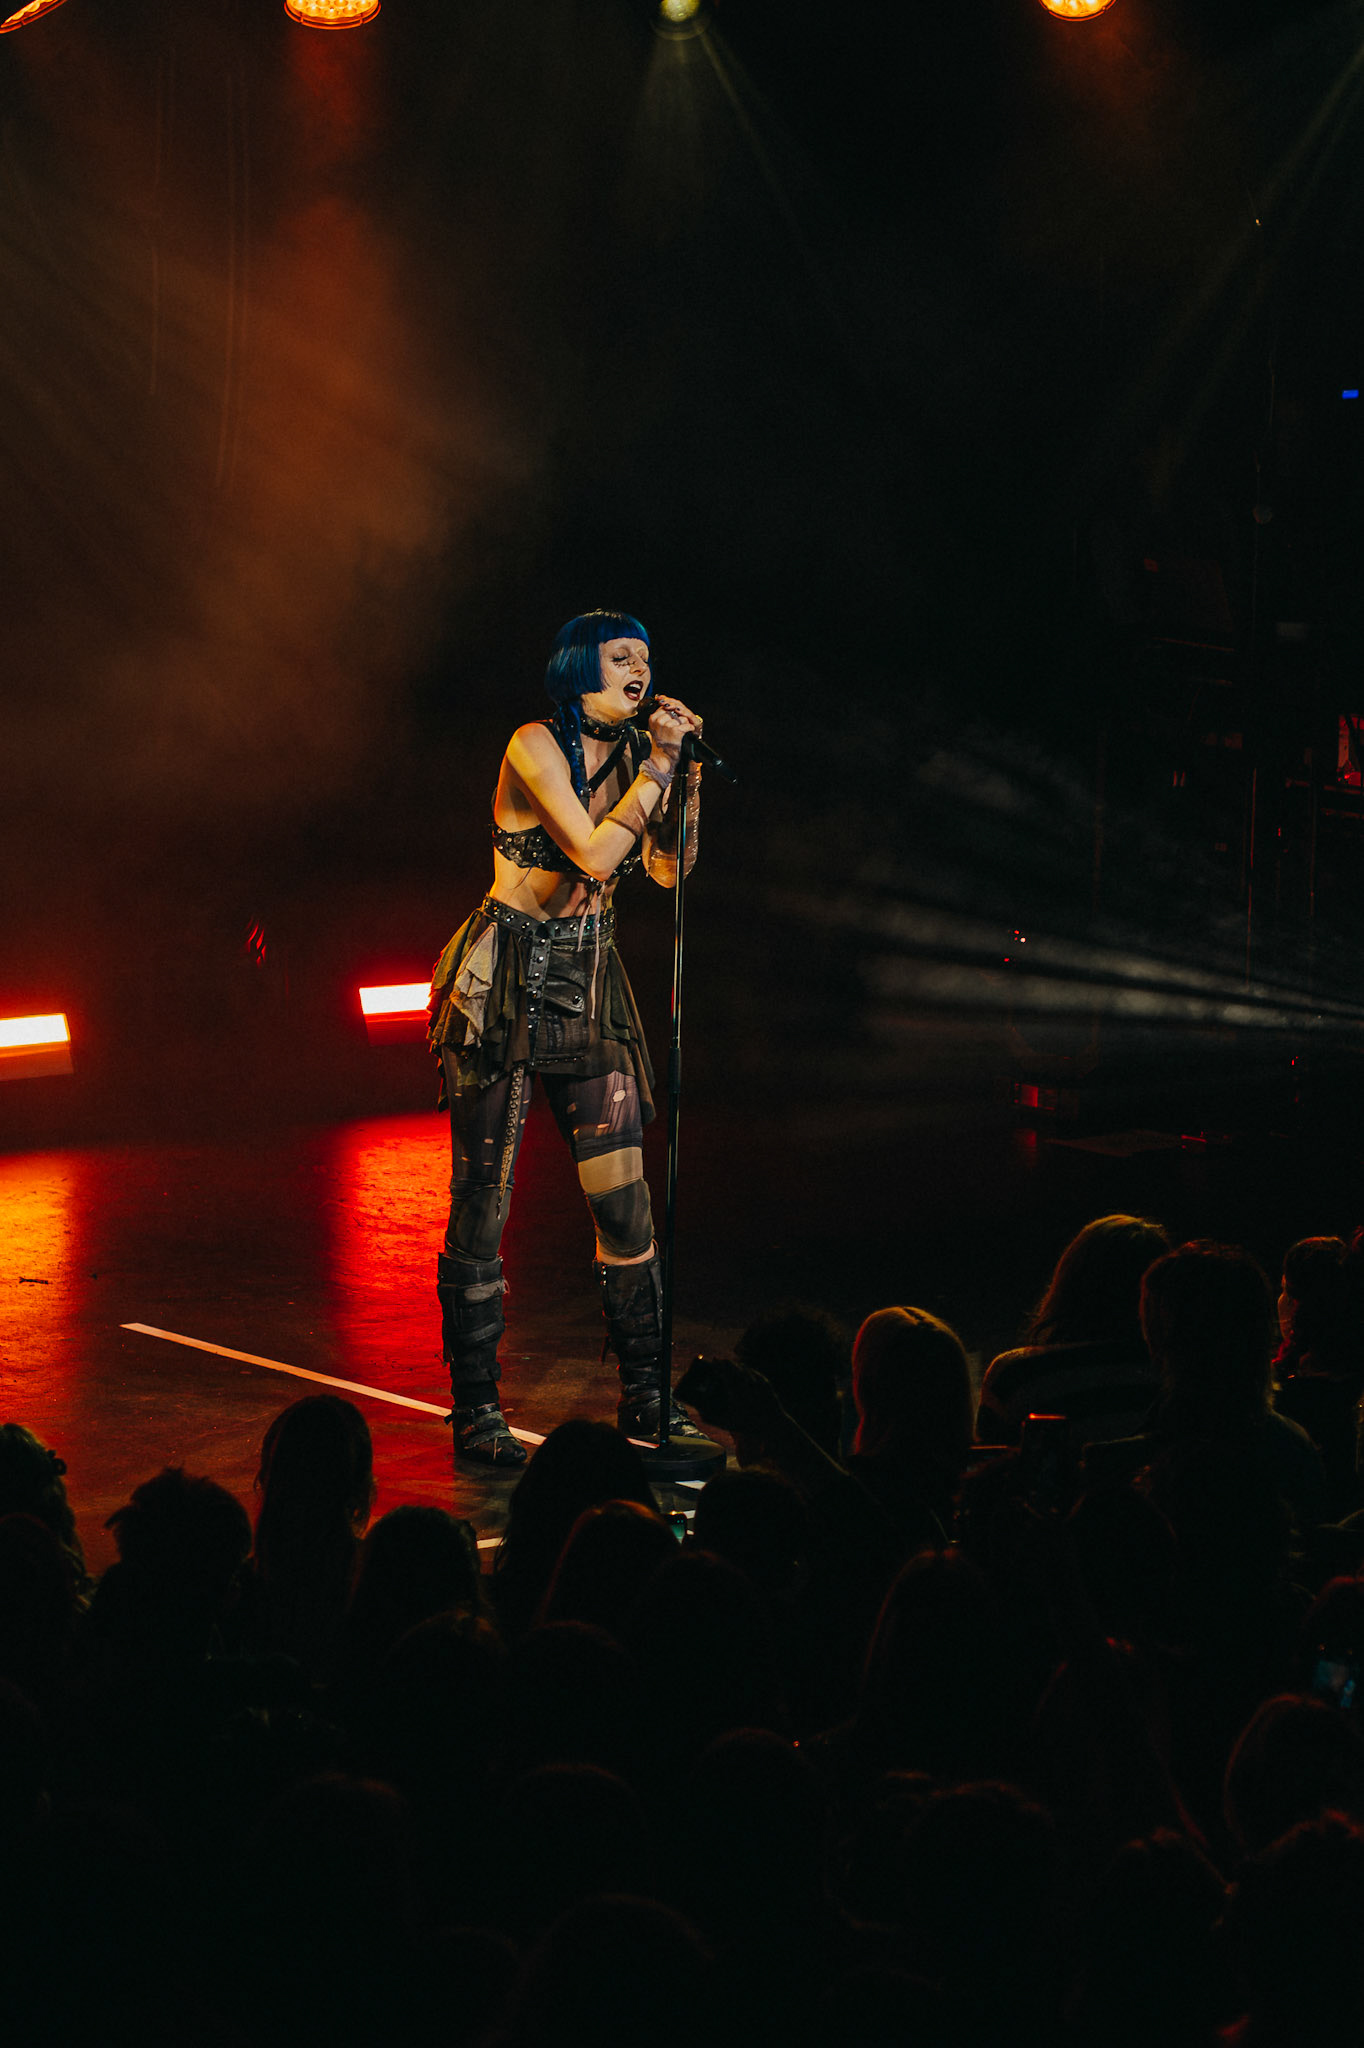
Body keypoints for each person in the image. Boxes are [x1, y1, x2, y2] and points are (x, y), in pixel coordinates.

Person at [427, 609, 705, 1466]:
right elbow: (589, 853)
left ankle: (646, 1396)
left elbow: (667, 870)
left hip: (590, 979)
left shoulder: (642, 756)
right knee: (484, 1200)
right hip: (508, 976)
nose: (639, 670)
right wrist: (657, 768)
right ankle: (476, 1406)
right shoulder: (533, 744)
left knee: (624, 1201)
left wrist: (683, 781)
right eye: (621, 657)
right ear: (580, 667)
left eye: (646, 658)